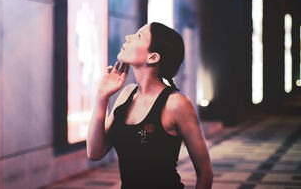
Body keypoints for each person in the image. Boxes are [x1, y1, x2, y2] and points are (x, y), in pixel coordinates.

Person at [87, 22, 213, 189]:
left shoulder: (176, 103)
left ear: (153, 57)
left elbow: (205, 172)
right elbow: (95, 153)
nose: (127, 37)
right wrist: (102, 97)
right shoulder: (127, 95)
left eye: (138, 36)